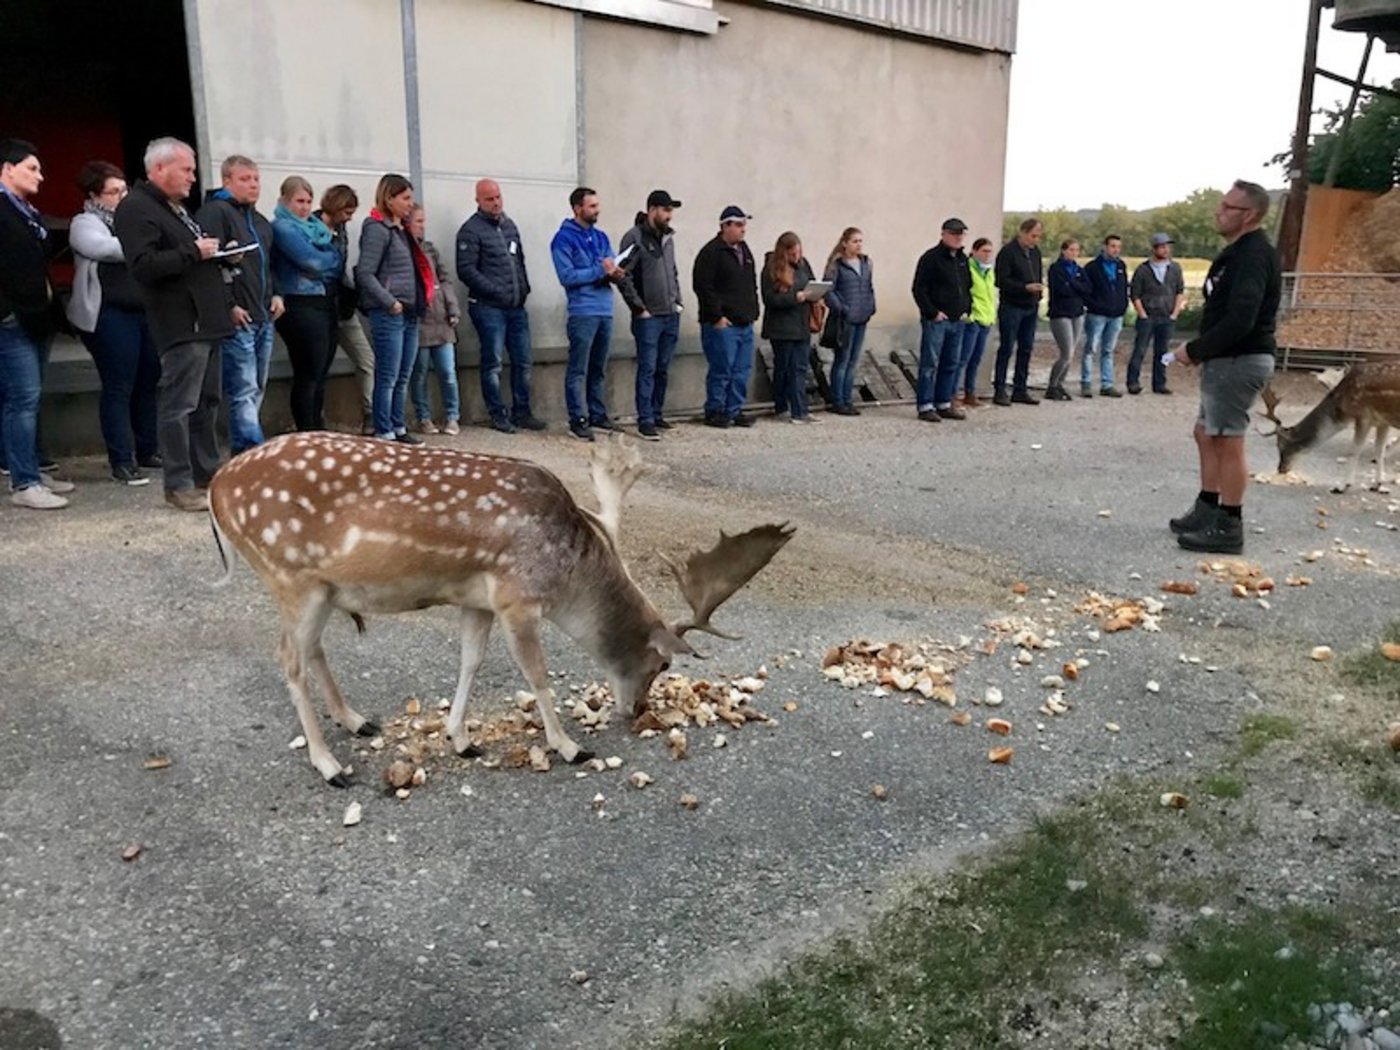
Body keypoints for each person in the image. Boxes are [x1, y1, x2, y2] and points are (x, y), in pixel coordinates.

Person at [114, 136, 232, 512]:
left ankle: (207, 474)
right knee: (179, 405)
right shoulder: (136, 208)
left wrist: (220, 257)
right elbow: (144, 266)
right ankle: (178, 484)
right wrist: (193, 252)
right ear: (159, 168)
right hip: (182, 322)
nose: (193, 178)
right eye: (187, 169)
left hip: (206, 320)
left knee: (207, 402)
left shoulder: (176, 209)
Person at [1168, 180, 1282, 555]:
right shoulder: (1237, 253)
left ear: (1248, 215)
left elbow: (1242, 318)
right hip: (1226, 359)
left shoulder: (1253, 255)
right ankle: (1207, 506)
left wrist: (1196, 350)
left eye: (1227, 207)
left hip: (1239, 358)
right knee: (1206, 433)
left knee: (1227, 439)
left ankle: (1230, 524)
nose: (1219, 211)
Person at [67, 160, 159, 486]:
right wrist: (143, 244)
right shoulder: (85, 222)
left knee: (149, 379)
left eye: (124, 189)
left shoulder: (134, 218)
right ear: (95, 195)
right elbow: (102, 248)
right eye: (113, 191)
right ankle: (122, 459)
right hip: (108, 314)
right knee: (120, 385)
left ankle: (149, 448)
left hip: (143, 311)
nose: (122, 196)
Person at [0, 138, 73, 509]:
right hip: (13, 321)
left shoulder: (25, 211)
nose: (40, 177)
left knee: (27, 397)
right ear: (7, 168)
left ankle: (28, 467)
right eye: (32, 168)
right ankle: (24, 483)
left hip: (37, 317)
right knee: (22, 398)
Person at [195, 155, 284, 453]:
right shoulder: (215, 213)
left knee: (256, 385)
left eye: (256, 179)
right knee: (243, 388)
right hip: (239, 315)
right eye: (245, 179)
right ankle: (250, 450)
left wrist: (277, 293)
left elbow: (268, 265)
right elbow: (211, 267)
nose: (253, 185)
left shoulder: (259, 221)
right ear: (227, 181)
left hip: (263, 314)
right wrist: (229, 304)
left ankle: (244, 447)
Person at [456, 178, 544, 433]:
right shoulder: (470, 231)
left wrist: (524, 288)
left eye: (498, 197)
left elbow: (520, 261)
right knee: (493, 362)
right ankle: (497, 413)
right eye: (489, 199)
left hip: (516, 306)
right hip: (488, 307)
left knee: (524, 360)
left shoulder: (509, 226)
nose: (495, 203)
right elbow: (466, 270)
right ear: (478, 201)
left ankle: (522, 411)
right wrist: (494, 291)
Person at [355, 173, 431, 444]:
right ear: (389, 198)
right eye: (405, 198)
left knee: (403, 374)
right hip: (390, 312)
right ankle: (383, 429)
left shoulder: (401, 230)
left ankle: (398, 426)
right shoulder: (377, 229)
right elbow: (365, 273)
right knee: (387, 374)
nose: (410, 204)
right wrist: (390, 302)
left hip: (409, 311)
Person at [551, 186, 623, 442]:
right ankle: (577, 419)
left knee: (598, 367)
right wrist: (599, 271)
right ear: (577, 208)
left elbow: (611, 262)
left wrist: (615, 271)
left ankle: (597, 412)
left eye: (597, 205)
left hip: (604, 309)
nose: (597, 210)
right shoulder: (563, 239)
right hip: (583, 311)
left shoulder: (601, 237)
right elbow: (567, 276)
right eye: (591, 206)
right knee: (578, 368)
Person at [271, 175, 343, 432]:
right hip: (299, 303)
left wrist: (324, 263)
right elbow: (311, 262)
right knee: (308, 374)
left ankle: (317, 429)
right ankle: (306, 432)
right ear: (284, 200)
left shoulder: (316, 227)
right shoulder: (283, 227)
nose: (304, 207)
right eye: (299, 201)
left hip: (323, 301)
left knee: (321, 373)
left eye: (309, 201)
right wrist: (325, 262)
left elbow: (336, 260)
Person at [619, 189, 684, 440]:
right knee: (647, 367)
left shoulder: (668, 239)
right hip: (648, 317)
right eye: (666, 210)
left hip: (670, 313)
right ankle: (644, 419)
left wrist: (678, 301)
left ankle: (657, 413)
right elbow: (622, 274)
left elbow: (673, 272)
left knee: (662, 368)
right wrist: (639, 308)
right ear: (652, 210)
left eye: (671, 211)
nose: (669, 215)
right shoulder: (634, 237)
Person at [692, 205, 759, 429]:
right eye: (738, 225)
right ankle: (715, 410)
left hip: (744, 320)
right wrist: (717, 316)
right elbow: (703, 287)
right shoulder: (711, 252)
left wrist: (754, 310)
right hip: (723, 323)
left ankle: (734, 409)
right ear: (725, 226)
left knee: (742, 370)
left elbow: (751, 283)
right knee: (722, 369)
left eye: (744, 225)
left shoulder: (745, 251)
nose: (743, 230)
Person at [318, 184, 374, 433]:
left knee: (366, 359)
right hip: (320, 304)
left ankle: (370, 413)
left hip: (343, 305)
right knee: (318, 366)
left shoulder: (342, 230)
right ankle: (316, 418)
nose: (349, 218)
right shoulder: (313, 225)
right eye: (347, 212)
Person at [406, 205, 461, 435]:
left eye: (423, 221)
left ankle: (452, 416)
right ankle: (423, 417)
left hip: (440, 318)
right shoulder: (403, 250)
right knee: (419, 373)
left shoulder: (430, 250)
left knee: (447, 372)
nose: (422, 226)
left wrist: (452, 307)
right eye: (418, 221)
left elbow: (445, 279)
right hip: (420, 321)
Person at [911, 217, 972, 422]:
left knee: (951, 363)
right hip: (937, 320)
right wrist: (932, 312)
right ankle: (925, 405)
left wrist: (966, 308)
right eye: (954, 234)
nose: (958, 238)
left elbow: (967, 286)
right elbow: (919, 288)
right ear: (944, 234)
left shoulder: (963, 260)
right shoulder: (931, 258)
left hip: (958, 319)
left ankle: (943, 402)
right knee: (930, 363)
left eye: (961, 234)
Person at [761, 231, 819, 424]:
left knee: (800, 368)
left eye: (799, 253)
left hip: (802, 323)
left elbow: (812, 282)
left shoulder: (803, 265)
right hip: (782, 327)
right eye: (792, 254)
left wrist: (816, 293)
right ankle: (782, 406)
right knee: (784, 368)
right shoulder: (771, 268)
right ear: (784, 252)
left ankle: (800, 409)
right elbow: (770, 298)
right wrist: (795, 298)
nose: (797, 257)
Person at [823, 226, 876, 416]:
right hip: (845, 319)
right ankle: (837, 400)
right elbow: (828, 290)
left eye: (861, 241)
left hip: (862, 317)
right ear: (845, 243)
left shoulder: (865, 263)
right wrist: (841, 308)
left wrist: (871, 307)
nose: (859, 245)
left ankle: (848, 399)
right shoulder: (837, 265)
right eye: (855, 241)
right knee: (842, 359)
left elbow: (869, 287)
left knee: (853, 360)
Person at [993, 217, 1045, 406]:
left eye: (1038, 237)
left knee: (1026, 348)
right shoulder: (1008, 252)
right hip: (1012, 306)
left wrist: (1038, 292)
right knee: (1007, 348)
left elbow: (1038, 273)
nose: (1035, 240)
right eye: (1033, 236)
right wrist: (1025, 287)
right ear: (1022, 232)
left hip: (1031, 307)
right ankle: (999, 389)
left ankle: (1020, 388)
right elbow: (1001, 281)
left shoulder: (1035, 253)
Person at [1128, 232, 1186, 395]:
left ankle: (1159, 383)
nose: (1166, 250)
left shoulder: (1175, 268)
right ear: (1155, 249)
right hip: (1148, 315)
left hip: (1167, 315)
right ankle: (1133, 382)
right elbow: (1135, 293)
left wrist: (1175, 312)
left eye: (1167, 246)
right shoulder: (1143, 269)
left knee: (1162, 351)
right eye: (1162, 247)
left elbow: (1179, 291)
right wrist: (1142, 314)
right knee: (1140, 350)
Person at [1081, 234, 1128, 398]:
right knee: (1091, 349)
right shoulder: (1092, 267)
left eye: (1118, 247)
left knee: (1108, 350)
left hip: (1116, 315)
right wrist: (1094, 305)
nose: (1116, 250)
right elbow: (1085, 290)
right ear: (1105, 247)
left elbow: (1123, 288)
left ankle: (1107, 384)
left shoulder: (1121, 266)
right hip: (1097, 314)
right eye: (1113, 246)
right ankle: (1086, 382)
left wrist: (1123, 306)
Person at [1045, 238, 1092, 402]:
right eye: (1071, 250)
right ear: (1063, 250)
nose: (1074, 253)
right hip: (1061, 313)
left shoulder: (1079, 269)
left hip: (1077, 313)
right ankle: (1052, 384)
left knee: (1071, 352)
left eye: (1076, 250)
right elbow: (1061, 289)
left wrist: (1073, 285)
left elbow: (1087, 288)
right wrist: (1075, 287)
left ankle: (1060, 384)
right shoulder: (1056, 269)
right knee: (1066, 352)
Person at [957, 237, 996, 407]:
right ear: (974, 251)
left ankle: (970, 392)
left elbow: (990, 295)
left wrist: (991, 316)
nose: (987, 255)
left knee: (976, 359)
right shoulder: (968, 268)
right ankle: (953, 394)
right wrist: (969, 315)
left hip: (985, 319)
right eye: (984, 251)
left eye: (989, 251)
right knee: (963, 358)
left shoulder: (988, 271)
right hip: (972, 319)